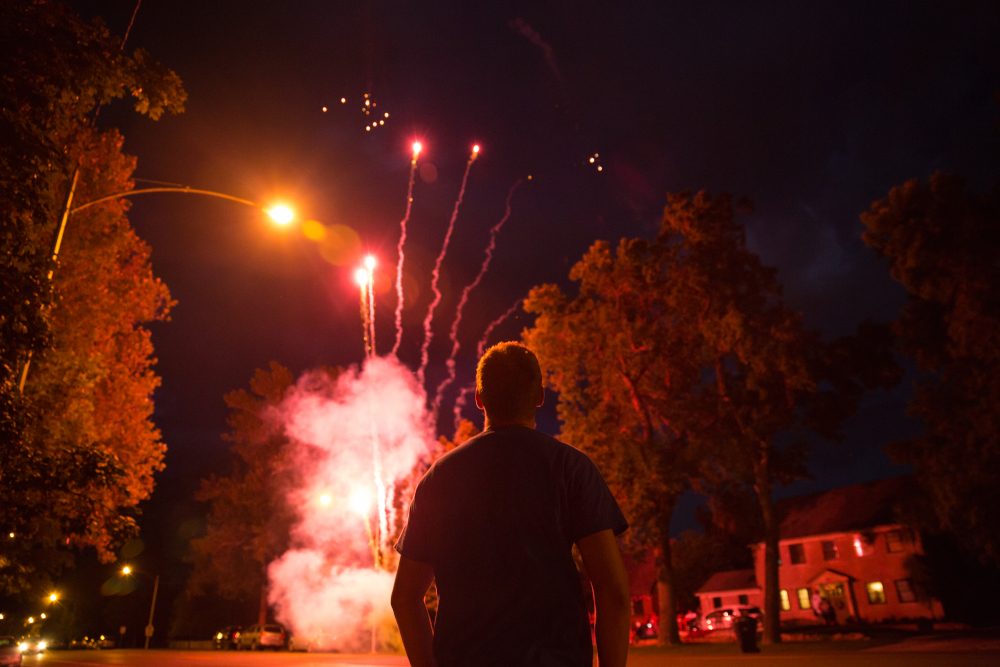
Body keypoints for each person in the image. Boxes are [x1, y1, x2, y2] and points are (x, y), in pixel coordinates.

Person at [391, 342, 632, 667]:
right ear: (540, 396)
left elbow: (405, 597)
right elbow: (612, 590)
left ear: (479, 398)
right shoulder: (571, 467)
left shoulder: (438, 479)